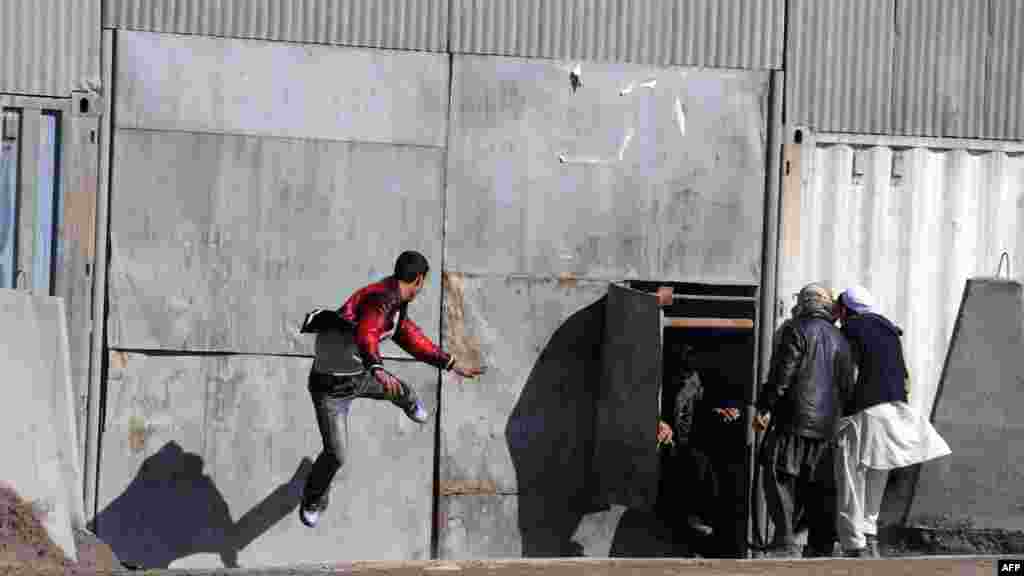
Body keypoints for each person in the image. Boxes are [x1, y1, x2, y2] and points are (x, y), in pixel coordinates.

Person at [297, 251, 484, 528]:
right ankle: (313, 498)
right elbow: (367, 332)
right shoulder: (379, 299)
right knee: (336, 454)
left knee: (397, 389)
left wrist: (451, 363)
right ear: (419, 280)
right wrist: (377, 366)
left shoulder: (395, 306)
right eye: (423, 283)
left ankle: (409, 402)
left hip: (358, 376)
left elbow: (414, 340)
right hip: (329, 389)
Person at [832, 286, 951, 558]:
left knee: (852, 476)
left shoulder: (851, 331)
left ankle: (854, 543)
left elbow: (846, 375)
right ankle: (870, 535)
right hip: (894, 408)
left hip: (864, 410)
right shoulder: (889, 331)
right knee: (878, 473)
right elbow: (905, 375)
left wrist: (841, 408)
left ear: (847, 309)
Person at [754, 283, 854, 558]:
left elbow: (781, 374)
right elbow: (847, 387)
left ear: (804, 303)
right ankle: (819, 546)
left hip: (793, 421)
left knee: (780, 477)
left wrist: (765, 407)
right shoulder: (841, 338)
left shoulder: (794, 329)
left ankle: (785, 541)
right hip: (827, 428)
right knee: (819, 486)